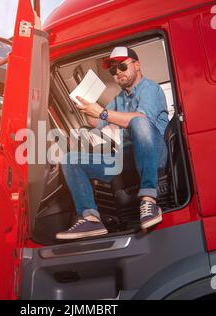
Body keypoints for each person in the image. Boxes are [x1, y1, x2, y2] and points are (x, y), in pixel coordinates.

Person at [56, 46, 169, 240]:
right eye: (113, 70)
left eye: (122, 67)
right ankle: (91, 219)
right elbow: (98, 121)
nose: (117, 73)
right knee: (71, 159)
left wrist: (102, 112)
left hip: (153, 153)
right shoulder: (120, 99)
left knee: (138, 121)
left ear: (137, 65)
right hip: (127, 159)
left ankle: (149, 201)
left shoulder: (151, 89)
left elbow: (139, 120)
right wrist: (86, 107)